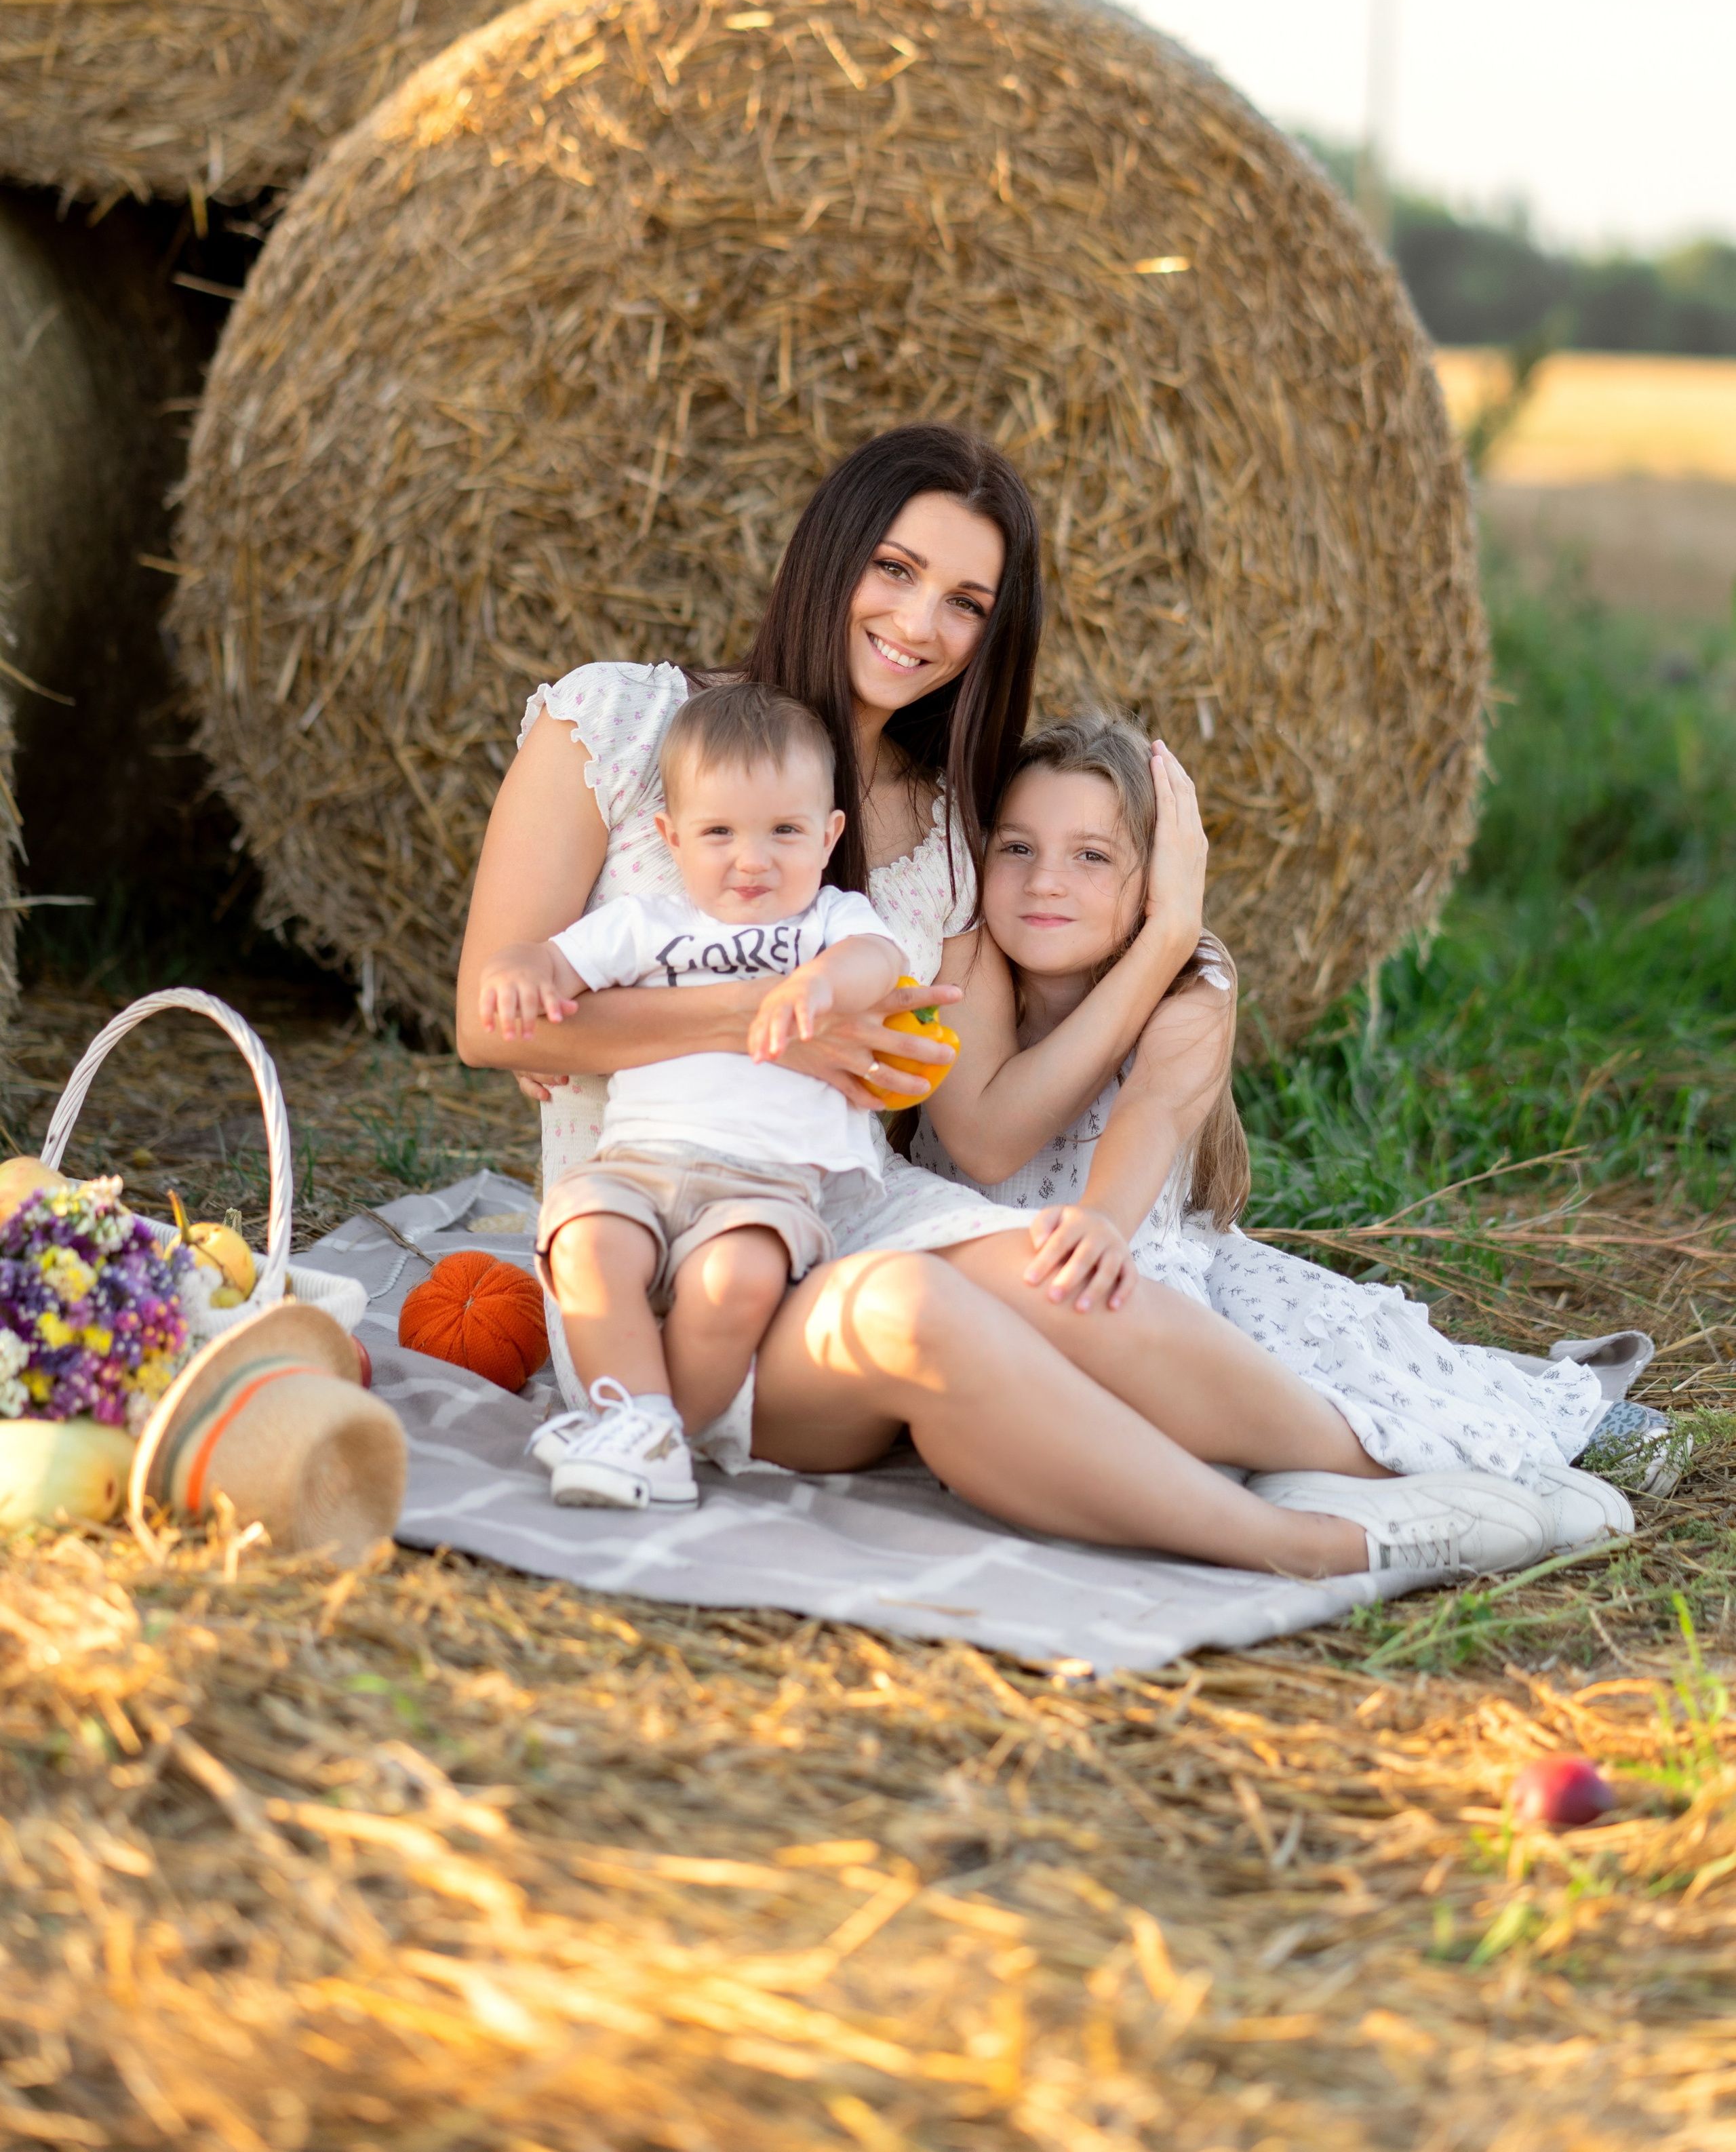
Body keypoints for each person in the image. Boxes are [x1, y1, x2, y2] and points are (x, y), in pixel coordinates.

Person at [457, 424, 1560, 1585]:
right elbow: (492, 1017)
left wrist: (1165, 939)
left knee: (1060, 1270)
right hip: (645, 1249)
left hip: (831, 1206)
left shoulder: (948, 832)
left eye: (966, 604)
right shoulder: (621, 723)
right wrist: (762, 1021)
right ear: (831, 553)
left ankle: (1403, 1467)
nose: (919, 623)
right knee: (916, 1307)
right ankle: (1312, 1545)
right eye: (895, 569)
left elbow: (974, 1128)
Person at [907, 715, 1630, 1548]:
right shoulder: (962, 961)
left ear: (1161, 877)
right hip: (987, 1268)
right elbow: (987, 1139)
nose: (1044, 882)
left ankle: (1466, 1472)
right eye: (1017, 847)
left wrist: (1102, 1218)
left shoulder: (1191, 981)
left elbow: (1152, 1111)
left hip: (1133, 1256)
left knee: (1342, 1370)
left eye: (1092, 856)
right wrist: (1163, 931)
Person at [476, 682, 907, 1511]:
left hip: (762, 1184)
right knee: (586, 1243)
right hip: (636, 1166)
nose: (753, 860)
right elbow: (555, 964)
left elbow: (879, 962)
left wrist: (820, 985)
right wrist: (519, 971)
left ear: (829, 836)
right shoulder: (649, 925)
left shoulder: (828, 924)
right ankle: (640, 1425)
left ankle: (655, 1436)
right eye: (719, 833)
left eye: (785, 832)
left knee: (734, 1284)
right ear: (672, 837)